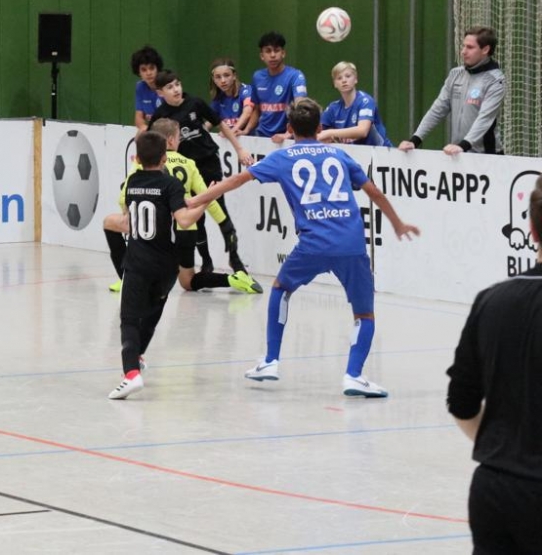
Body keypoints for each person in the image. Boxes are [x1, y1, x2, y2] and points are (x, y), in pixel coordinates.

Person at [188, 98, 420, 397]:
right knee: (364, 315)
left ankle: (270, 361)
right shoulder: (339, 154)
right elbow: (373, 192)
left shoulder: (282, 158)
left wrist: (198, 199)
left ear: (289, 128)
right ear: (320, 127)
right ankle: (354, 375)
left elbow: (237, 180)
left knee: (281, 289)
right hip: (351, 244)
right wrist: (398, 223)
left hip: (313, 243)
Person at [446, 174, 542, 553]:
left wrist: (508, 449)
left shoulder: (492, 301)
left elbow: (461, 402)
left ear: (532, 231)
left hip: (495, 490)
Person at [104, 118, 262, 295]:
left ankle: (126, 278)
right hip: (186, 229)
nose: (180, 141)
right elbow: (206, 196)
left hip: (156, 225)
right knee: (187, 281)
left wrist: (128, 214)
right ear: (171, 140)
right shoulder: (189, 163)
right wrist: (224, 224)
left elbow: (123, 197)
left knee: (110, 223)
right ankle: (233, 279)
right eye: (179, 137)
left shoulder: (146, 163)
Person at [108, 131, 209, 400]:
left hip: (138, 263)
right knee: (152, 313)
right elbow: (184, 220)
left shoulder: (132, 183)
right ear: (164, 158)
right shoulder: (170, 185)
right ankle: (139, 357)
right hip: (166, 265)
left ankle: (131, 374)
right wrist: (205, 201)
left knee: (129, 319)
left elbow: (128, 219)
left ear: (137, 159)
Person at [150, 69, 254, 276]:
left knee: (220, 209)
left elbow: (220, 123)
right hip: (185, 171)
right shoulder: (160, 116)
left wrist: (239, 149)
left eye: (177, 84)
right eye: (170, 87)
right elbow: (152, 143)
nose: (176, 89)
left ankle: (235, 258)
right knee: (196, 217)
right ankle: (206, 261)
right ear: (160, 92)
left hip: (208, 163)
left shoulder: (195, 103)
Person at [399, 26, 505, 155]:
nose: (463, 51)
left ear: (485, 50)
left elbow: (485, 118)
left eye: (470, 47)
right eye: (463, 46)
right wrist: (415, 140)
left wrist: (463, 145)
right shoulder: (455, 74)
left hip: (486, 155)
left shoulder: (495, 80)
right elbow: (438, 109)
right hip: (459, 153)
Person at [250, 32, 308, 143]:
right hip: (261, 136)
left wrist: (288, 134)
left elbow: (300, 107)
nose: (272, 55)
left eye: (276, 50)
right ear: (262, 56)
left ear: (283, 53)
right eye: (268, 51)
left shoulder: (296, 76)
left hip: (286, 137)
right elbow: (257, 110)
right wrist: (246, 130)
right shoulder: (257, 77)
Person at [317, 62, 393, 146]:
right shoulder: (333, 108)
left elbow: (362, 131)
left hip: (380, 151)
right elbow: (317, 130)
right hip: (353, 152)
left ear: (356, 79)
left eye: (348, 76)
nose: (344, 80)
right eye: (339, 78)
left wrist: (330, 133)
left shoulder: (365, 101)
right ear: (335, 84)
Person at [209, 58, 255, 135]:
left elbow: (247, 113)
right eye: (218, 77)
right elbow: (210, 121)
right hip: (230, 140)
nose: (223, 80)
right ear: (214, 80)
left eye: (226, 75)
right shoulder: (218, 98)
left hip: (250, 139)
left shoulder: (246, 91)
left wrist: (231, 132)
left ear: (234, 76)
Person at [131, 45, 164, 134]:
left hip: (170, 132)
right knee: (139, 135)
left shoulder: (166, 84)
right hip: (153, 132)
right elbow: (138, 117)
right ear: (139, 73)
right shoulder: (140, 87)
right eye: (144, 70)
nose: (148, 73)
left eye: (151, 68)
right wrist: (144, 128)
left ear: (157, 69)